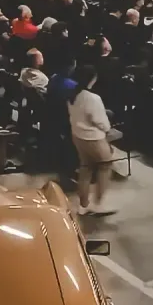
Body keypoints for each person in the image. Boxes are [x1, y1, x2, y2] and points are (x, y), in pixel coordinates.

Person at [68, 66, 117, 216]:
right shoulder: (93, 98)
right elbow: (101, 122)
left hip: (77, 135)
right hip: (94, 139)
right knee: (105, 167)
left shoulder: (72, 94)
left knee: (85, 168)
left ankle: (83, 205)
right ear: (92, 79)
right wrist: (108, 129)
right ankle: (99, 204)